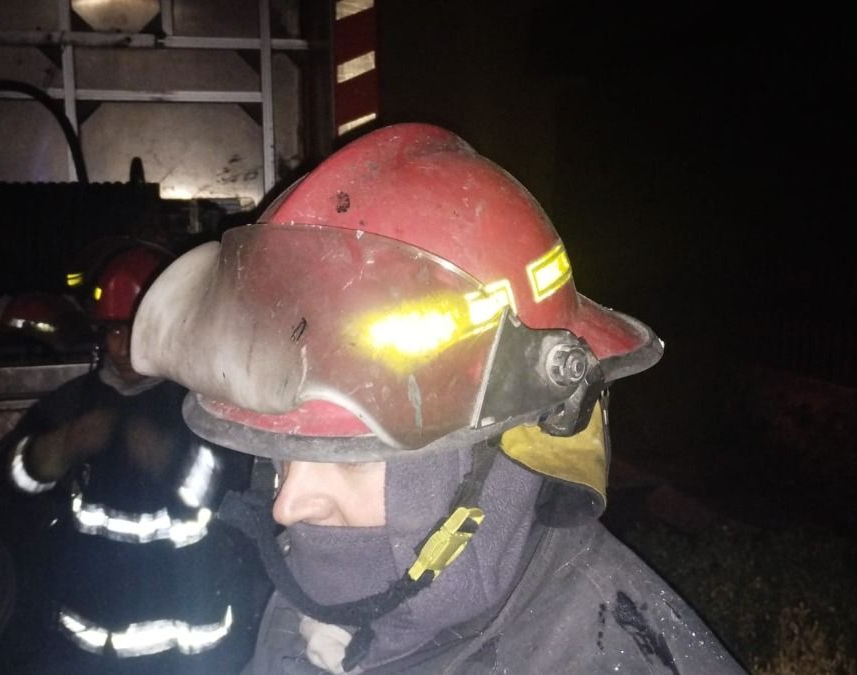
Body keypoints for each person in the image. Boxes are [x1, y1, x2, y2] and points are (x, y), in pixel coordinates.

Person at [130, 124, 746, 673]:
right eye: (284, 453)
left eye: (354, 458)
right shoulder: (314, 617)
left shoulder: (610, 652)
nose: (289, 506)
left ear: (508, 452)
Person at [0, 240, 269, 674]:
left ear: (173, 327)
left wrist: (169, 460)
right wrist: (54, 451)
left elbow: (243, 498)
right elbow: (1, 486)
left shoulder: (207, 406)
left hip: (189, 647)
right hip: (87, 644)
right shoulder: (73, 402)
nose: (122, 347)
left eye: (134, 330)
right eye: (113, 330)